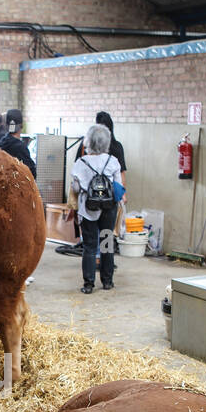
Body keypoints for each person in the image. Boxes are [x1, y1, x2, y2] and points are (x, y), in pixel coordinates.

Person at [71, 124, 123, 294]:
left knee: (90, 246)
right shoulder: (112, 161)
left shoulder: (81, 162)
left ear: (89, 141)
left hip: (88, 208)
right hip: (109, 208)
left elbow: (76, 188)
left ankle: (88, 284)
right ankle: (107, 281)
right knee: (106, 241)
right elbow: (118, 187)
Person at [0, 108, 35, 177]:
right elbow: (32, 173)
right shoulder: (20, 147)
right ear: (21, 125)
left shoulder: (1, 142)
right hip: (16, 185)